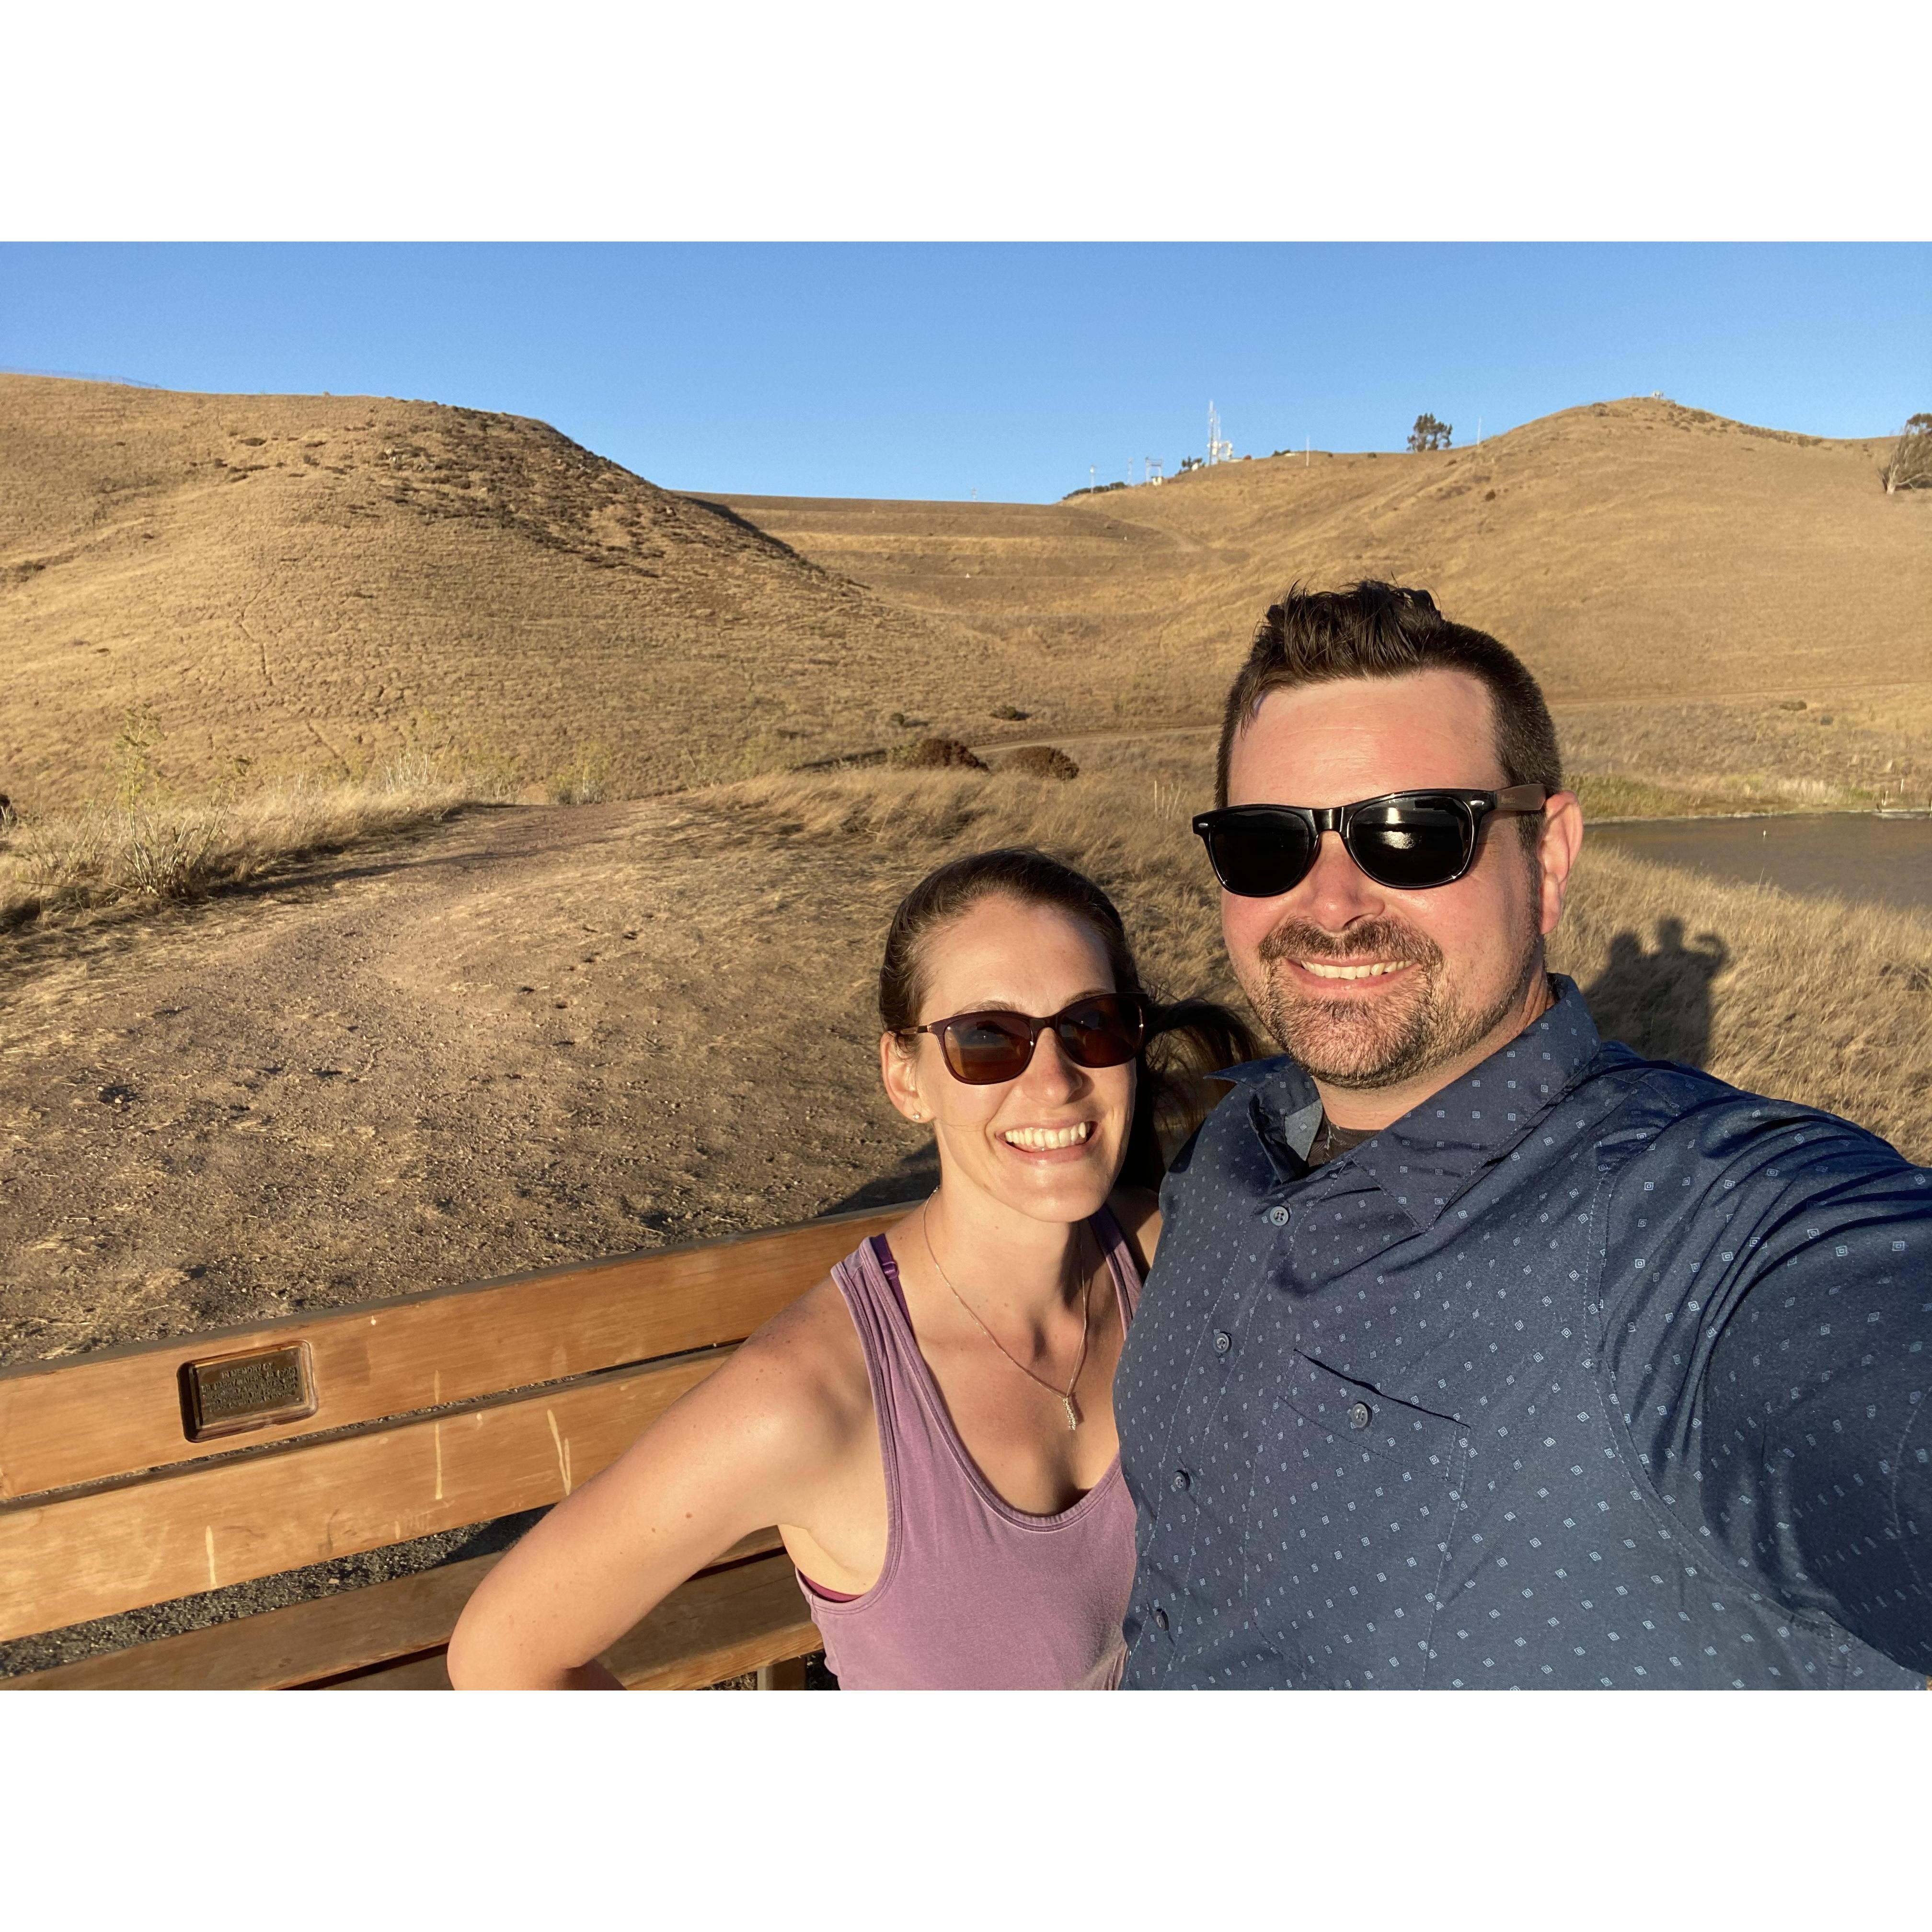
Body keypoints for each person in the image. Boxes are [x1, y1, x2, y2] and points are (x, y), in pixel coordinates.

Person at [1116, 581, 1932, 1690]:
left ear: (1546, 857)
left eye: (1413, 834)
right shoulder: (1230, 1149)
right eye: (1268, 846)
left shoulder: (1699, 1237)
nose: (1333, 902)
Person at [448, 848, 1251, 1689]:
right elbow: (505, 1652)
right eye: (988, 1040)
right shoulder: (810, 1399)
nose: (1054, 1082)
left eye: (1092, 1025)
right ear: (906, 1078)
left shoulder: (1172, 1258)